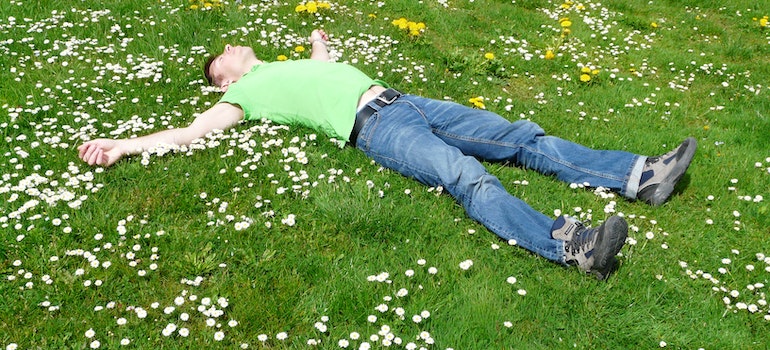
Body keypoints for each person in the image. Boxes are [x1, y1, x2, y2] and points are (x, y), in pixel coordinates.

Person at [78, 29, 697, 280]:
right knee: (465, 176)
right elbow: (189, 134)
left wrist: (319, 42)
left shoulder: (285, 64)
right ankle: (572, 246)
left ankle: (639, 175)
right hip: (373, 128)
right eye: (224, 57)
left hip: (407, 101)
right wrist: (125, 145)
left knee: (519, 135)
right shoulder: (241, 95)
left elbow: (322, 65)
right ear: (222, 80)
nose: (234, 48)